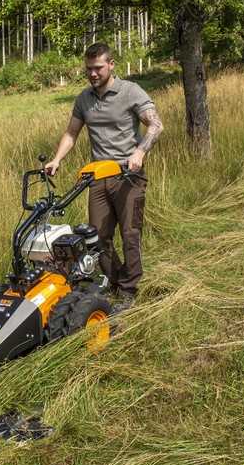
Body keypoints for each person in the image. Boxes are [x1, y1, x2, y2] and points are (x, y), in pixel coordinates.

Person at [45, 42, 163, 310]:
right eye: (89, 69)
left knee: (130, 234)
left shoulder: (130, 91)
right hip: (97, 177)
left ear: (111, 65)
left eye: (98, 68)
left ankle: (129, 290)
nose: (93, 73)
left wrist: (140, 152)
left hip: (128, 176)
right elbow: (71, 133)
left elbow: (156, 124)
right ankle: (115, 280)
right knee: (97, 236)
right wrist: (57, 159)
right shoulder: (84, 99)